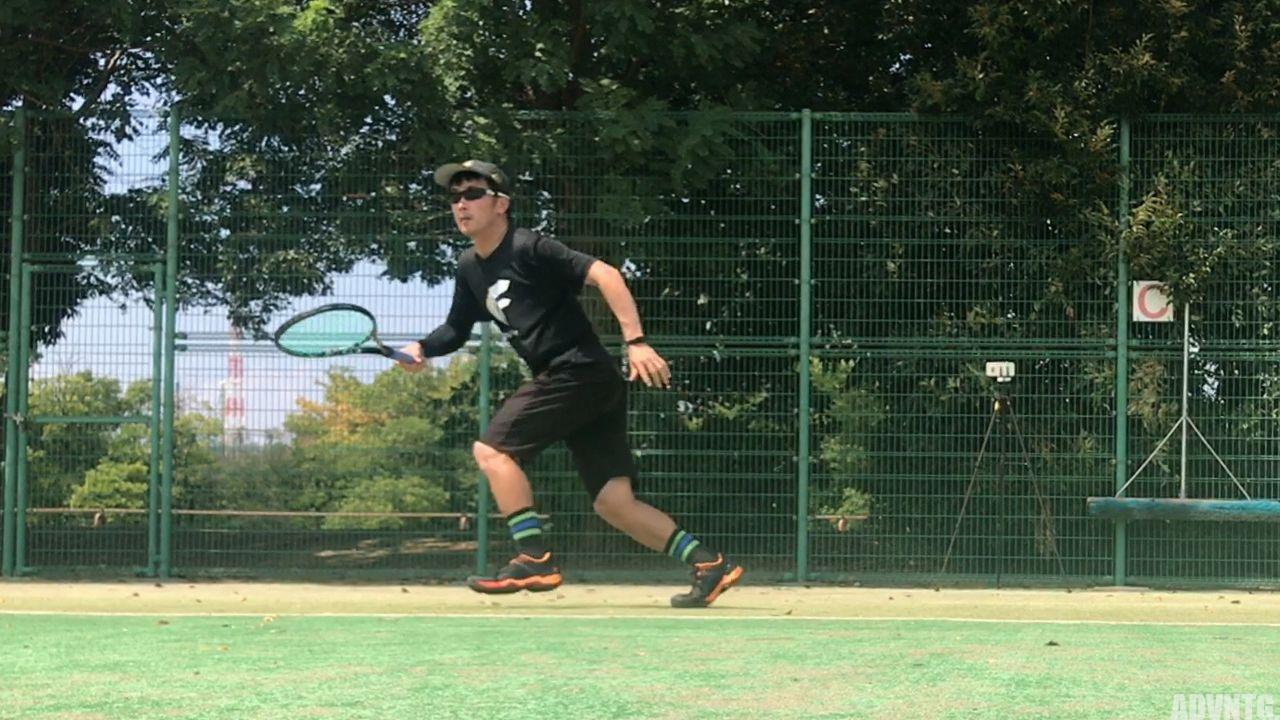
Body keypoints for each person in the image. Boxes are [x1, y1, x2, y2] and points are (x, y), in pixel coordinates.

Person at [399, 159, 742, 608]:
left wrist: (636, 342)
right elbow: (455, 329)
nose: (461, 203)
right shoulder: (469, 267)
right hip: (587, 380)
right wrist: (422, 347)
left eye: (473, 193)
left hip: (576, 370)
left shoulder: (529, 247)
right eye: (455, 196)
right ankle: (709, 564)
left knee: (492, 451)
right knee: (613, 502)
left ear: (501, 204)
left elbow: (606, 274)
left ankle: (534, 558)